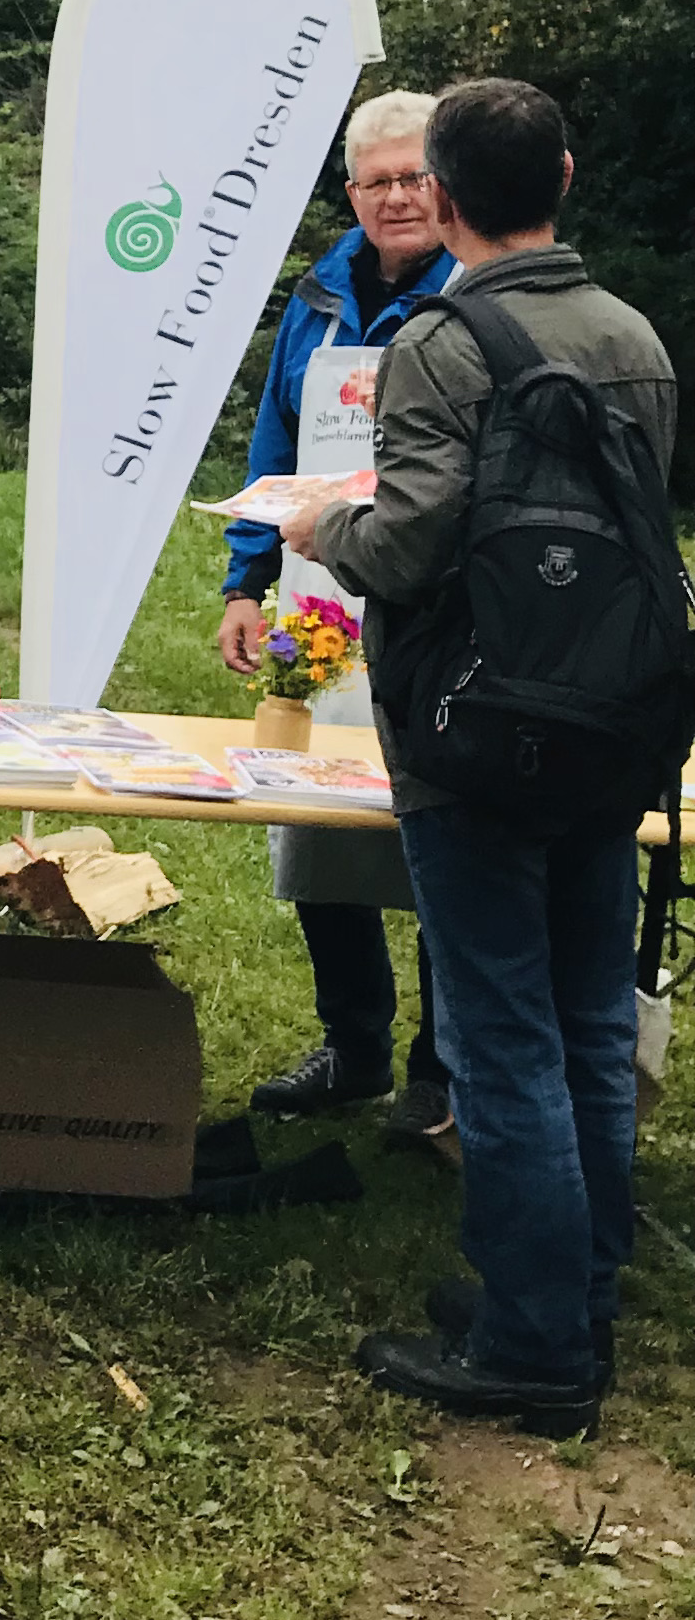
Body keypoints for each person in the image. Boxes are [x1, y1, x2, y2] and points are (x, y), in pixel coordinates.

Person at [261, 78, 678, 1435]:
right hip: (614, 727)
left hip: (473, 732)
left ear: (438, 199)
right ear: (565, 172)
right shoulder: (633, 335)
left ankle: (535, 1346)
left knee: (501, 1035)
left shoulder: (443, 340)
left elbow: (415, 541)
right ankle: (573, 1287)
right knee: (589, 1020)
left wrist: (326, 528)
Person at [216, 92, 457, 1143]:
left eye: (415, 176)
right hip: (320, 602)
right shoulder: (318, 297)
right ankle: (353, 1045)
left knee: (446, 832)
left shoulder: (477, 293)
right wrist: (244, 580)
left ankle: (442, 1073)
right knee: (317, 816)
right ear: (350, 193)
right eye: (377, 181)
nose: (397, 197)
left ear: (447, 182)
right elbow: (276, 443)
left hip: (443, 608)